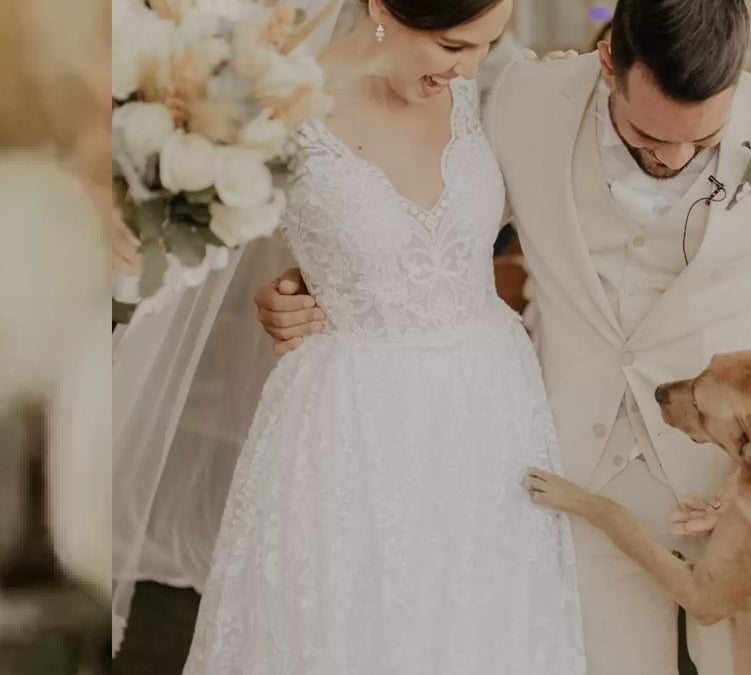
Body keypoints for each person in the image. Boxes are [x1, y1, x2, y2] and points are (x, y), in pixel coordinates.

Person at [256, 0, 751, 672]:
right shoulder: (523, 97)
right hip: (577, 474)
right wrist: (316, 276)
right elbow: (424, 214)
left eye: (698, 141)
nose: (670, 157)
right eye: (647, 133)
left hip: (741, 492)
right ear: (609, 61)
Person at [141, 1, 587, 672]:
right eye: (452, 45)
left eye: (486, 45)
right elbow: (215, 247)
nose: (470, 64)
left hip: (490, 409)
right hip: (352, 419)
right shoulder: (282, 99)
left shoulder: (482, 88)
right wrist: (289, 283)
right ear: (382, 6)